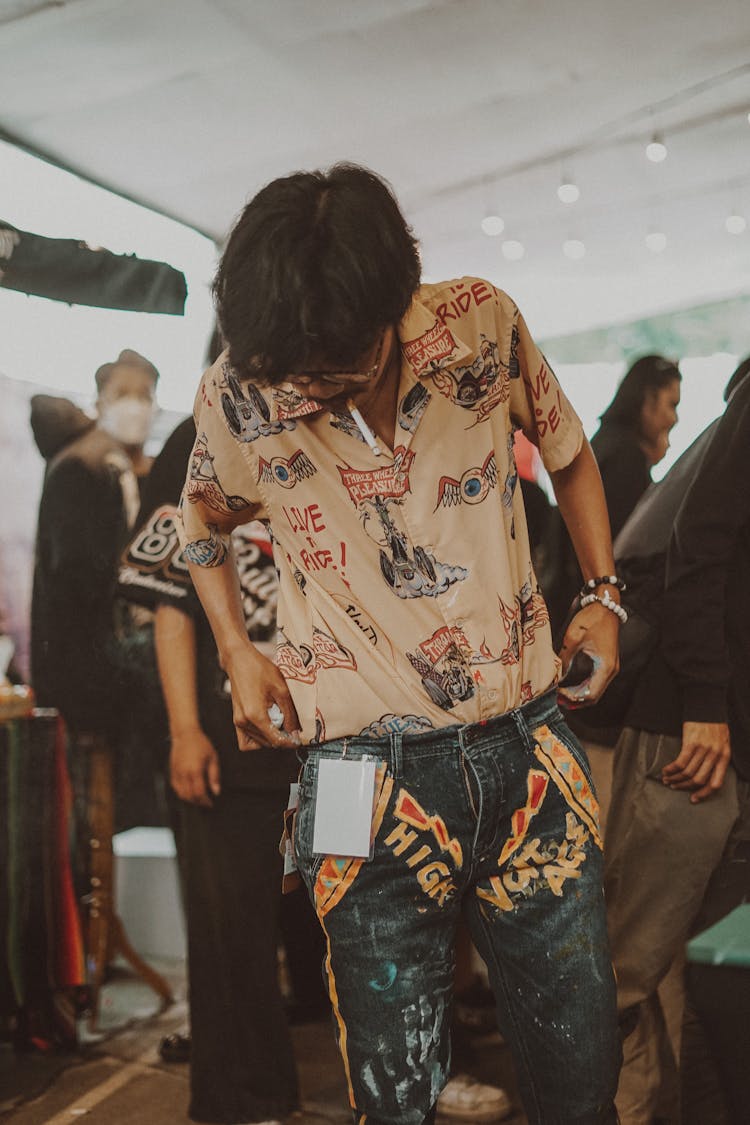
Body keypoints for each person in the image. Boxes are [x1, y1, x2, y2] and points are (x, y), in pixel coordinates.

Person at [178, 163, 623, 1125]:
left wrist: (605, 593)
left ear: (392, 309)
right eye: (287, 373)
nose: (307, 390)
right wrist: (235, 652)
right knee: (393, 1092)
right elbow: (201, 525)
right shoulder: (238, 391)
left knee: (583, 1070)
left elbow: (571, 452)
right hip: (356, 777)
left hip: (527, 751)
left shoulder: (481, 324)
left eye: (333, 370)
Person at [120, 414, 327, 1124]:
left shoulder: (336, 418)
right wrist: (184, 730)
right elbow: (170, 602)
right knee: (230, 932)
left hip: (334, 733)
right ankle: (244, 1100)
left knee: (360, 915)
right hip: (224, 735)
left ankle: (400, 1078)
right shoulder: (198, 436)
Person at [603, 356, 750, 1125]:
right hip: (691, 735)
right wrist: (703, 701)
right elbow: (697, 546)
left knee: (714, 980)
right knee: (629, 971)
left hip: (728, 738)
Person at [545, 354, 681, 641]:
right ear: (648, 398)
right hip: (591, 613)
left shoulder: (606, 443)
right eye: (672, 404)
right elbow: (627, 551)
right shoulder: (626, 458)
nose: (675, 418)